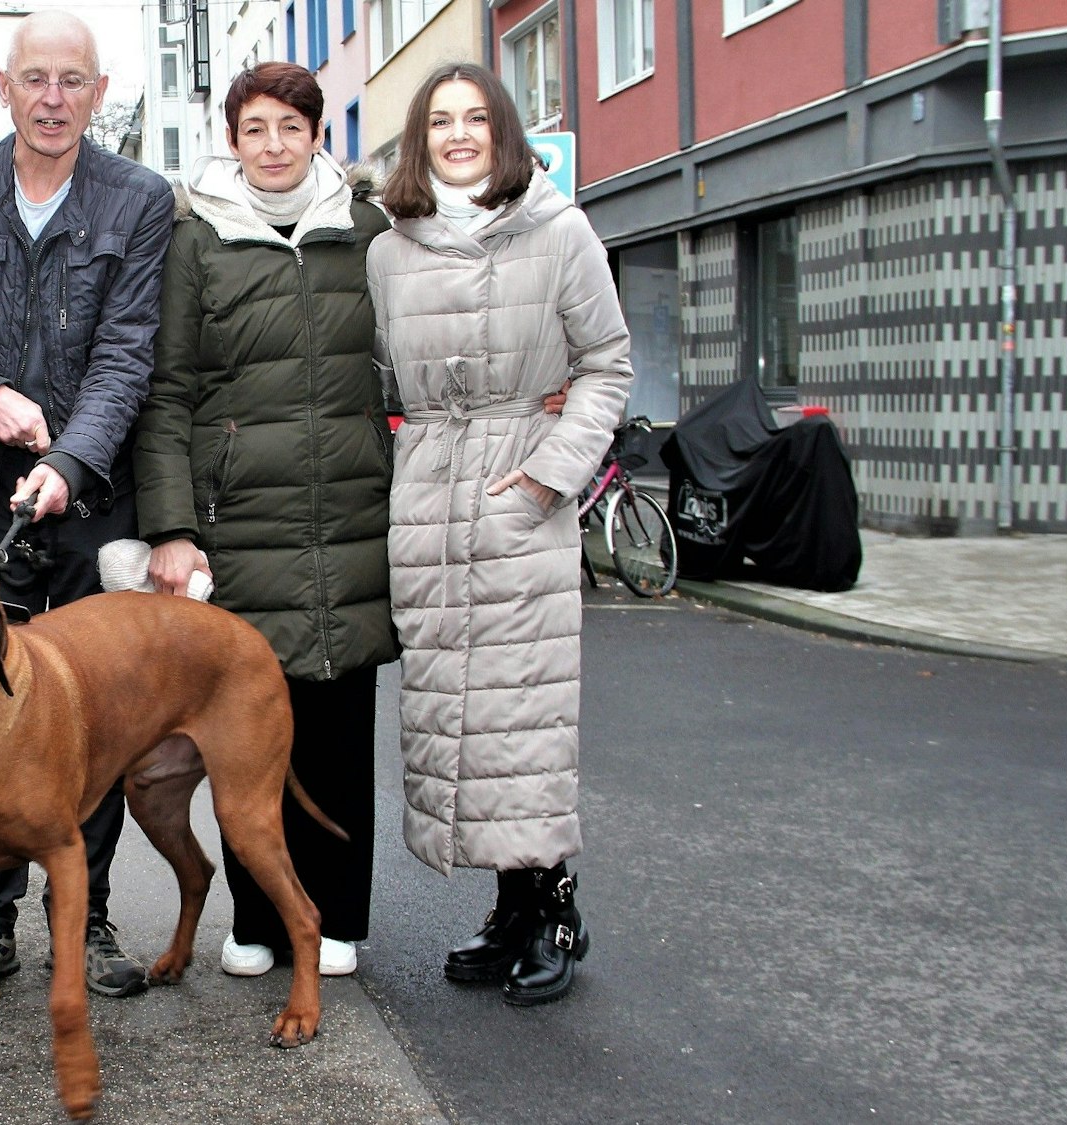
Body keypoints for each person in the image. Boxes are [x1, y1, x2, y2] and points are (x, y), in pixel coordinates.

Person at [0, 10, 176, 1007]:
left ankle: (89, 918)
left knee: (84, 724)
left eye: (72, 80)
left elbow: (126, 353)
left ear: (96, 93)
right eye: (35, 79)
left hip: (90, 507)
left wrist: (68, 455)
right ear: (3, 86)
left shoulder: (140, 199)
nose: (52, 98)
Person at [366, 62, 632, 1006]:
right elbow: (383, 381)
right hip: (430, 497)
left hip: (522, 492)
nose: (460, 134)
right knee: (457, 720)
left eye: (477, 117)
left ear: (505, 130)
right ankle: (509, 909)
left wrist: (548, 473)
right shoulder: (390, 248)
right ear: (419, 137)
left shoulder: (561, 230)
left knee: (524, 714)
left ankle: (552, 906)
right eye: (441, 120)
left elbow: (607, 364)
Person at [132, 62, 396, 980]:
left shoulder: (368, 232)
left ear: (319, 136)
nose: (274, 145)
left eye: (292, 126)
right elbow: (167, 394)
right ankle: (255, 916)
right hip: (238, 521)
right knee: (245, 730)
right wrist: (172, 525)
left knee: (338, 720)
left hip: (350, 512)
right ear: (231, 139)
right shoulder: (196, 240)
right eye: (256, 129)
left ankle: (335, 916)